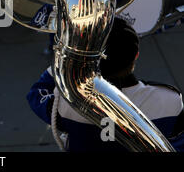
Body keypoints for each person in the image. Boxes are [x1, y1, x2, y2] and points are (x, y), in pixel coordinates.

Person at [27, 17, 184, 152]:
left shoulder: (67, 103)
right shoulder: (170, 101)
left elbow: (37, 93)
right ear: (136, 55)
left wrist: (66, 62)